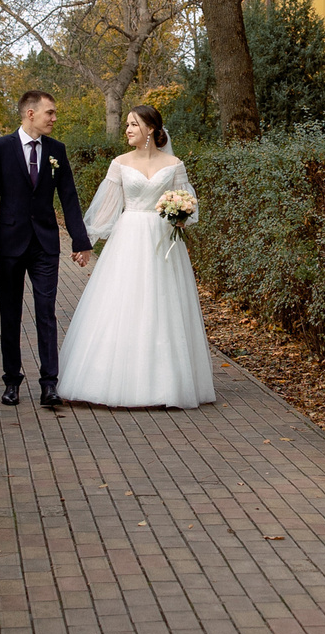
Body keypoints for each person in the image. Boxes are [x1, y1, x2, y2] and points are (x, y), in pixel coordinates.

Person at [54, 104, 215, 410]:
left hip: (163, 241)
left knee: (163, 304)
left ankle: (166, 383)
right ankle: (105, 380)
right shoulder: (120, 163)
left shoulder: (174, 164)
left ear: (151, 130)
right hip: (128, 239)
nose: (127, 129)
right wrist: (85, 242)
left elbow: (189, 204)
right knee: (122, 301)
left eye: (133, 124)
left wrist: (181, 214)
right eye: (127, 124)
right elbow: (106, 209)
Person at [0, 90, 92, 410]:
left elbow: (69, 198)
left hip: (44, 244)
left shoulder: (57, 150)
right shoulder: (0, 148)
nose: (54, 118)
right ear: (30, 113)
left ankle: (49, 384)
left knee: (47, 313)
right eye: (50, 113)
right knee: (10, 314)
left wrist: (80, 242)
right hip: (8, 244)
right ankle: (11, 381)